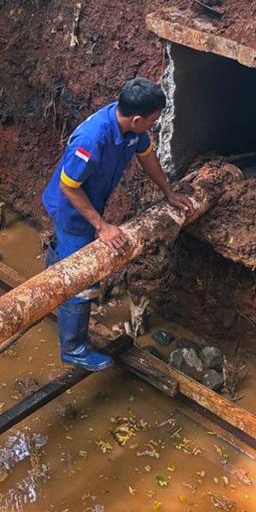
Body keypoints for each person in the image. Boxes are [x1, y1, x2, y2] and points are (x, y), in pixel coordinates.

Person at [41, 78, 192, 371]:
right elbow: (69, 188)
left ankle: (52, 280)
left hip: (91, 200)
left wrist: (169, 192)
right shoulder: (92, 140)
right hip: (71, 210)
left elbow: (147, 156)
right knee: (82, 279)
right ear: (137, 119)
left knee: (71, 264)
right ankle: (73, 349)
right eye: (152, 121)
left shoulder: (131, 129)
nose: (153, 125)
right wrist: (102, 226)